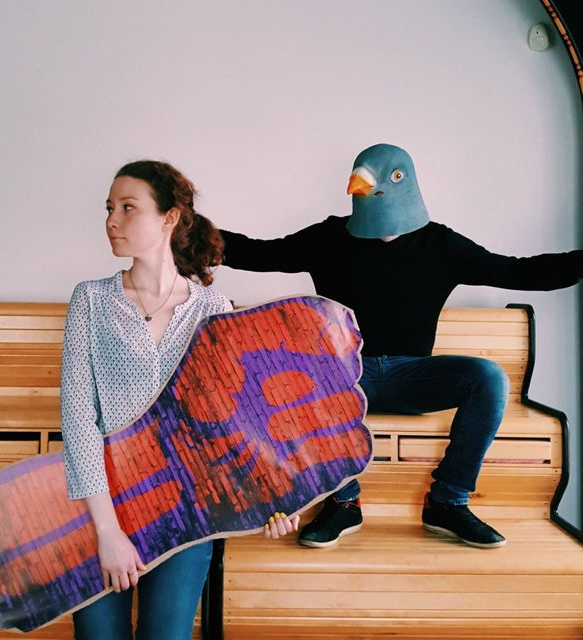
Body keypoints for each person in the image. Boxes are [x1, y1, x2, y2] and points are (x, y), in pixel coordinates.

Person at [219, 143, 583, 550]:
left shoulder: (441, 244)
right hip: (344, 379)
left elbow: (519, 271)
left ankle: (447, 502)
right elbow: (258, 253)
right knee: (270, 374)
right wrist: (184, 230)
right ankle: (343, 500)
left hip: (412, 377)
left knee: (488, 377)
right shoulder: (328, 238)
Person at [60, 159, 299, 640]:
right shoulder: (90, 299)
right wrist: (107, 533)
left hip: (185, 508)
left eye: (128, 207)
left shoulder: (212, 309)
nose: (112, 220)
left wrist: (272, 492)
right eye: (109, 208)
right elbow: (79, 419)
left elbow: (233, 416)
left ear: (169, 217)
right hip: (99, 506)